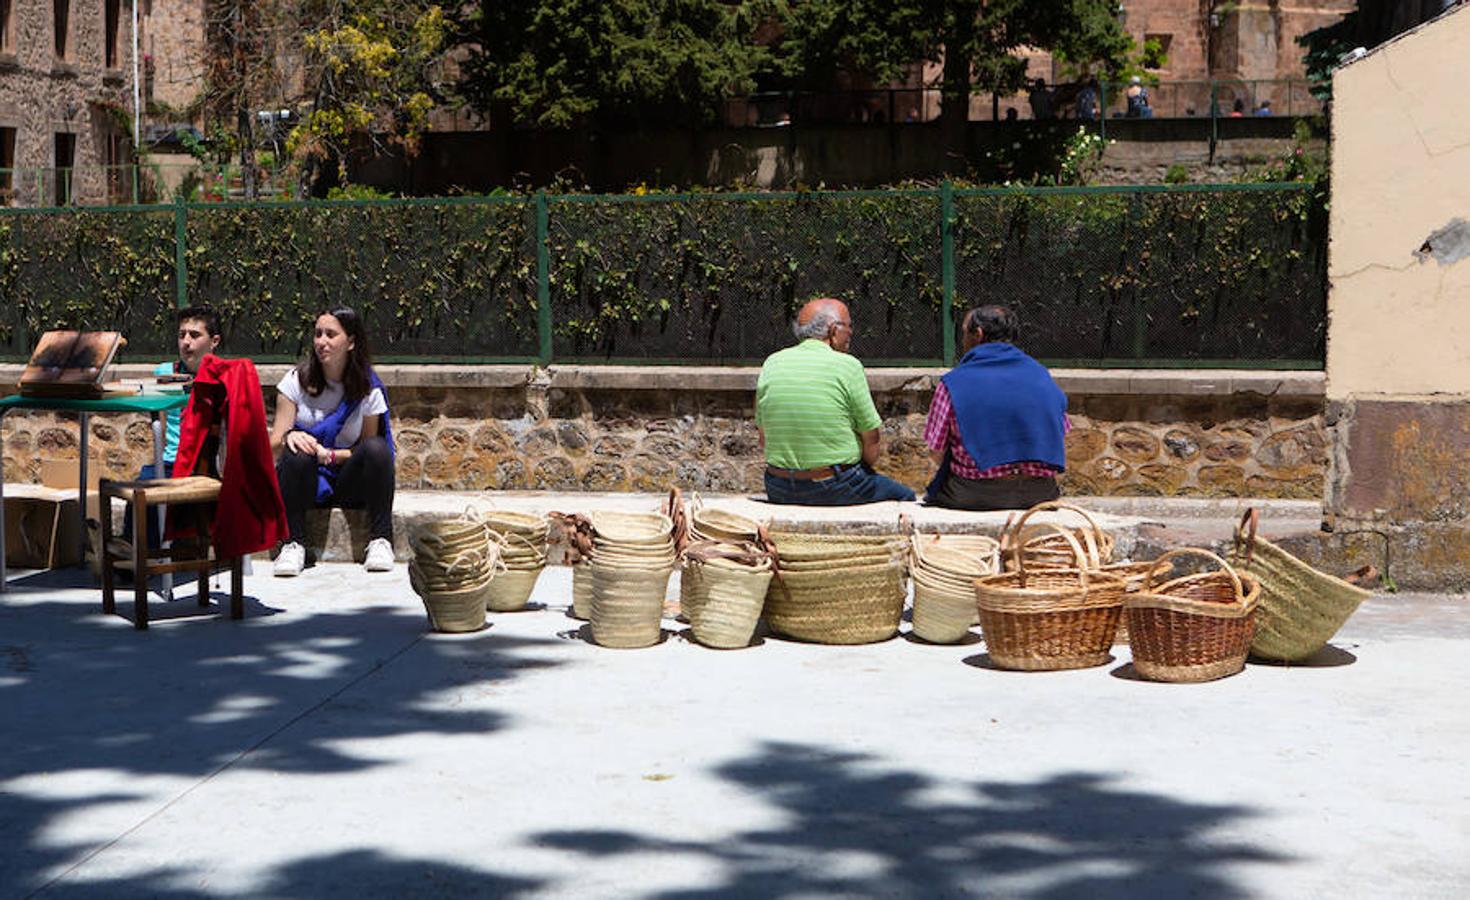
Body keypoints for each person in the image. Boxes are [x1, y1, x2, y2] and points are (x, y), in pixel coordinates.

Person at [270, 307, 396, 576]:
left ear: (350, 342)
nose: (321, 342)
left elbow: (365, 447)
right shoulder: (295, 382)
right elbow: (273, 446)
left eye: (330, 334)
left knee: (377, 449)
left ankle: (381, 540)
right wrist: (290, 435)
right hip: (306, 481)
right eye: (317, 334)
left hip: (347, 480)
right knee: (295, 451)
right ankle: (293, 544)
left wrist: (328, 455)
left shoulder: (367, 387)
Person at [756, 297, 916, 506]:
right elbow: (872, 437)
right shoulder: (847, 366)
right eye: (848, 326)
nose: (851, 333)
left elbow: (763, 437)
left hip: (778, 486)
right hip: (833, 485)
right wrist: (863, 471)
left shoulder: (772, 363)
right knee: (906, 496)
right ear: (833, 330)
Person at [923, 306, 1070, 511]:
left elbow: (936, 450)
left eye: (965, 332)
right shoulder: (1041, 376)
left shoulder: (953, 383)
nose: (962, 340)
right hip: (1039, 493)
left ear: (978, 334)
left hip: (974, 493)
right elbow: (1060, 431)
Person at [123, 306, 223, 553]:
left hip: (205, 463)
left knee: (148, 490)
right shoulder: (165, 373)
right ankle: (132, 556)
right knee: (140, 489)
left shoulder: (224, 377)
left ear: (214, 341)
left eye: (194, 335)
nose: (186, 342)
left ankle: (140, 556)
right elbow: (162, 424)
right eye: (181, 335)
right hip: (169, 461)